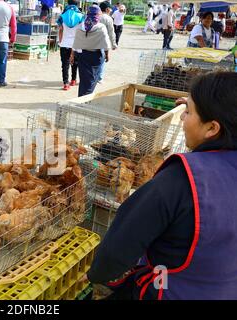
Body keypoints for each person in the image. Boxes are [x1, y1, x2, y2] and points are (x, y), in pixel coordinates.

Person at [84, 72, 237, 300]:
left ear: (212, 128)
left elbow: (116, 252)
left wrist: (96, 275)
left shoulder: (181, 180)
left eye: (189, 113)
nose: (183, 118)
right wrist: (197, 105)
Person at [72, 5, 111, 97]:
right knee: (92, 80)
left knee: (84, 79)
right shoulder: (101, 27)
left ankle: (81, 98)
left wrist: (72, 55)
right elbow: (106, 43)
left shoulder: (80, 26)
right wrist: (107, 54)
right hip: (96, 56)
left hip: (82, 56)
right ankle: (85, 100)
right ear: (98, 14)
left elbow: (75, 43)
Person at [57, 0, 84, 91]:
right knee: (75, 62)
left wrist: (60, 41)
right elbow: (82, 31)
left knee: (65, 64)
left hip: (64, 43)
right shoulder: (81, 16)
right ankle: (73, 80)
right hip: (76, 44)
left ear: (68, 3)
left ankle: (66, 83)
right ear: (77, 4)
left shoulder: (62, 16)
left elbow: (60, 30)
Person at [98, 1, 117, 83]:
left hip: (92, 41)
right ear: (107, 9)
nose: (111, 10)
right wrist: (113, 44)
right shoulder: (108, 18)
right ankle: (99, 78)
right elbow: (111, 33)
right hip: (102, 42)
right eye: (110, 8)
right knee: (102, 59)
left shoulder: (96, 16)